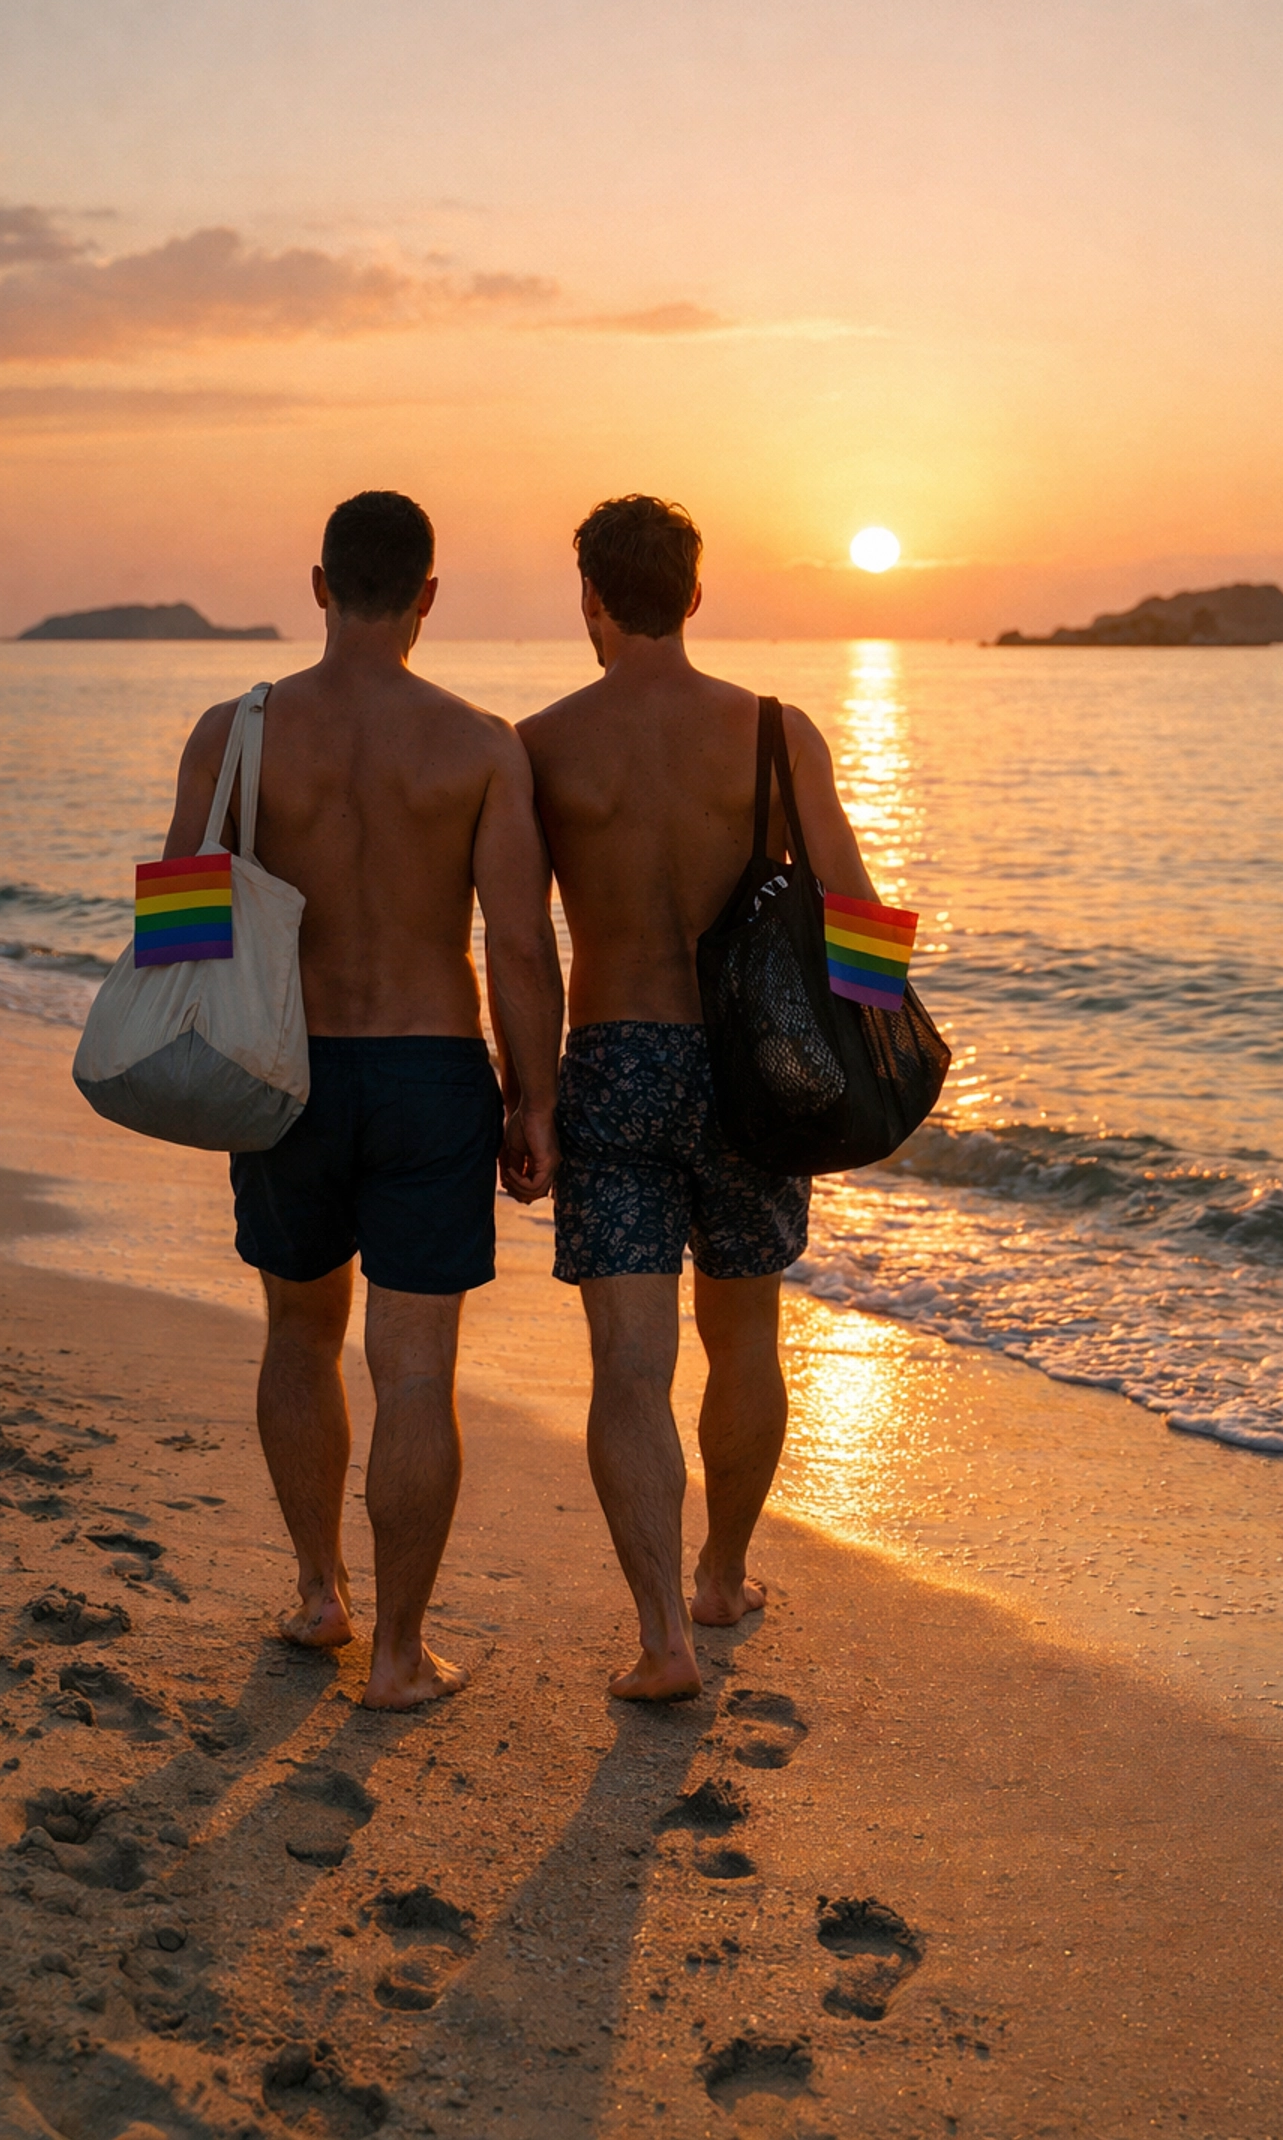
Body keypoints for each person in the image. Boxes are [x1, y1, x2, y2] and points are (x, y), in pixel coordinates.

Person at [162, 491, 563, 1709]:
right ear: (429, 595)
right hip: (431, 1074)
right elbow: (519, 945)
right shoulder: (481, 745)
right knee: (416, 1371)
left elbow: (178, 929)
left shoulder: (234, 733)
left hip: (285, 1073)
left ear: (319, 585)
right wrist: (533, 1101)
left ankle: (317, 1595)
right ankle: (399, 1655)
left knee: (298, 1332)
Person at [518, 494, 879, 1701]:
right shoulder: (775, 732)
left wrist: (529, 1095)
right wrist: (861, 1073)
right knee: (746, 1338)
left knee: (629, 1361)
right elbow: (859, 915)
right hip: (747, 1072)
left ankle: (663, 1636)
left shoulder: (541, 745)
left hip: (615, 1059)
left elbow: (518, 941)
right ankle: (722, 1575)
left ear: (591, 597)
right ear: (696, 594)